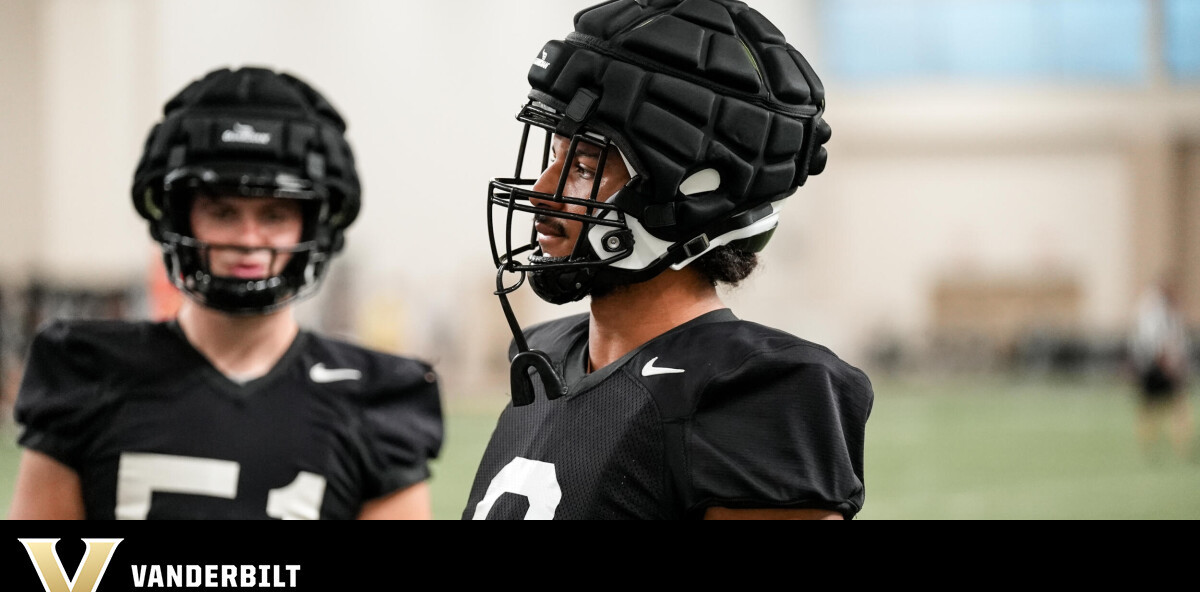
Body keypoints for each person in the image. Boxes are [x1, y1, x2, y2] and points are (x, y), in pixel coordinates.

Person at [465, 0, 872, 520]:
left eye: (585, 166)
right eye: (554, 156)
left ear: (687, 194)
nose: (545, 191)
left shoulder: (752, 391)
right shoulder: (550, 356)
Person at [8, 67, 443, 520]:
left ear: (315, 226)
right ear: (179, 218)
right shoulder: (88, 375)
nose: (248, 238)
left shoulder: (374, 400)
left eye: (274, 214)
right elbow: (55, 585)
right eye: (222, 211)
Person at [1130, 275, 1194, 461]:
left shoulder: (1158, 311)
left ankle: (1160, 444)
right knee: (1167, 406)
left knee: (1158, 407)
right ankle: (1172, 445)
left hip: (1153, 366)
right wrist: (1168, 366)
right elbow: (1158, 342)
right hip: (1158, 367)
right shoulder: (1158, 313)